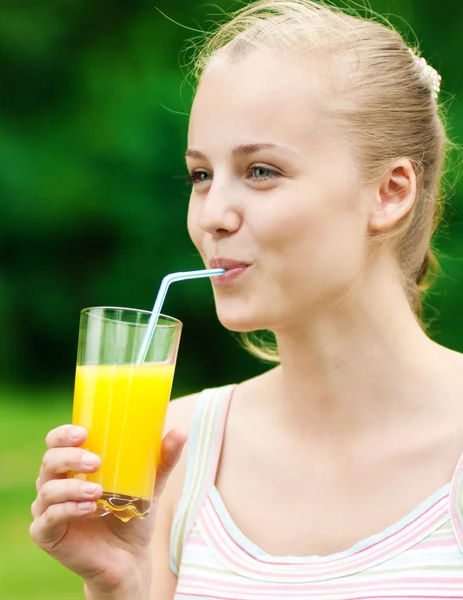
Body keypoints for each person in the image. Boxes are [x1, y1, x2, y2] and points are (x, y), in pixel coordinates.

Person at [30, 0, 463, 597]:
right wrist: (119, 584)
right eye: (201, 175)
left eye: (260, 171)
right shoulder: (168, 457)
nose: (212, 215)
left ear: (389, 193)